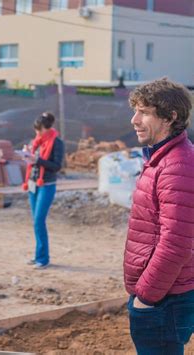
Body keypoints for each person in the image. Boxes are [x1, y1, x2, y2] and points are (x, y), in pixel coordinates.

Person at [124, 78, 194, 355]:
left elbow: (176, 243)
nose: (134, 120)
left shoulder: (177, 165)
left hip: (165, 299)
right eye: (135, 110)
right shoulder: (162, 159)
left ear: (170, 117)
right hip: (164, 295)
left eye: (145, 112)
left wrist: (147, 297)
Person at [22, 112, 64, 269]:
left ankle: (43, 258)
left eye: (39, 130)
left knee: (39, 221)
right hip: (33, 183)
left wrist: (37, 160)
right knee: (36, 222)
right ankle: (39, 255)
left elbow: (57, 166)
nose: (37, 133)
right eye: (36, 130)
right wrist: (27, 155)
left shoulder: (57, 143)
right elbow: (33, 162)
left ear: (48, 128)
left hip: (46, 185)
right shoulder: (37, 142)